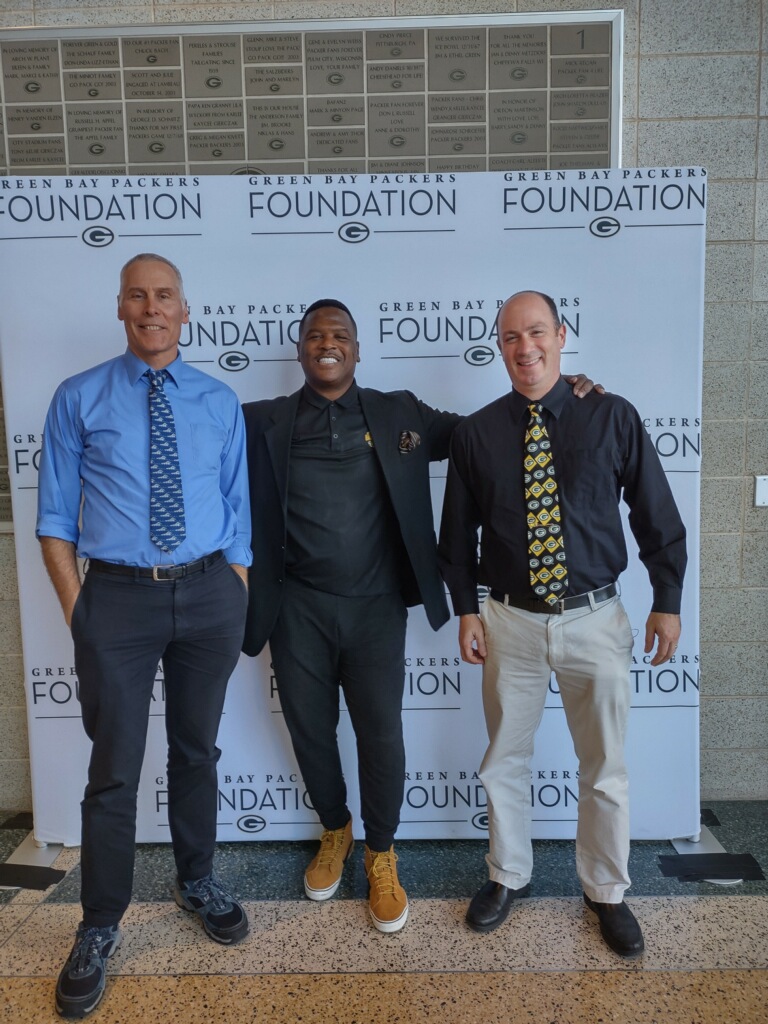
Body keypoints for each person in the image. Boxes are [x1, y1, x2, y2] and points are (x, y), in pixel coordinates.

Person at [241, 298, 597, 934]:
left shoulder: (399, 412)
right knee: (310, 729)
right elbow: (197, 442)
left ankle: (380, 851)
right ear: (299, 350)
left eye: (340, 334)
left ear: (357, 348)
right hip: (296, 608)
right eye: (315, 335)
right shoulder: (260, 421)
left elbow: (484, 434)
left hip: (377, 606)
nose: (328, 343)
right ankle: (335, 829)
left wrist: (561, 395)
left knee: (381, 734)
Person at [438, 290, 686, 957]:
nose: (526, 347)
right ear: (500, 347)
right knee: (503, 762)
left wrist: (669, 595)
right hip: (509, 621)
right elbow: (456, 534)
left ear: (562, 334)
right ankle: (507, 876)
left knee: (604, 765)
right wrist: (466, 607)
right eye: (512, 337)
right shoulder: (476, 433)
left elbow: (654, 512)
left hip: (596, 618)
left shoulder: (610, 415)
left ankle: (606, 891)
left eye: (538, 332)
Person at [36, 254, 252, 1019]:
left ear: (185, 310)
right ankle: (99, 924)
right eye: (138, 296)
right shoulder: (78, 398)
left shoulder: (219, 400)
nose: (151, 308)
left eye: (165, 296)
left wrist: (236, 588)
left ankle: (198, 882)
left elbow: (239, 511)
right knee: (115, 770)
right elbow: (56, 521)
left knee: (197, 750)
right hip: (118, 603)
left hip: (207, 596)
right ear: (120, 307)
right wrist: (81, 611)